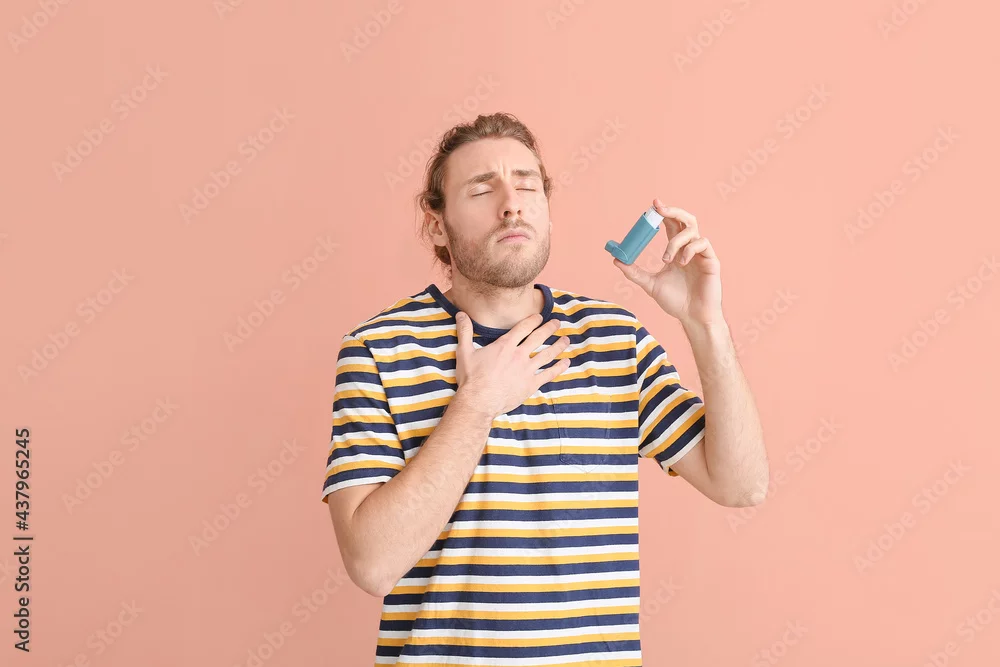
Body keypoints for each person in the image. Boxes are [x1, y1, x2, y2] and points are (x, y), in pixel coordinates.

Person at [323, 112, 769, 665]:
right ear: (436, 225)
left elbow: (742, 484)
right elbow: (372, 565)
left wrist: (706, 326)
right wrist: (476, 404)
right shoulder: (377, 349)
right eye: (482, 189)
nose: (511, 204)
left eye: (527, 185)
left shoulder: (613, 339)